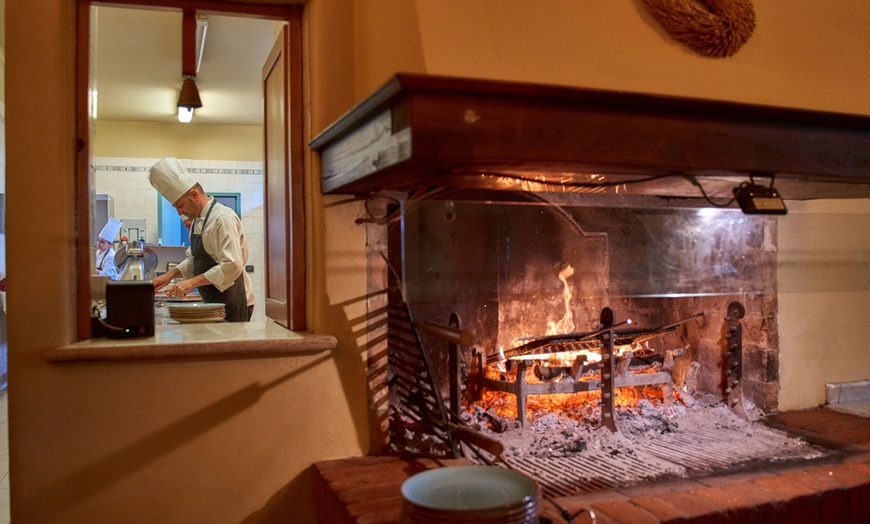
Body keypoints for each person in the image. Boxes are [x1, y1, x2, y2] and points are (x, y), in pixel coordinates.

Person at [148, 157, 254, 322]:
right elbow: (195, 259)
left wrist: (191, 283)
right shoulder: (198, 222)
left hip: (234, 299)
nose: (179, 212)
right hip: (214, 300)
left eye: (180, 205)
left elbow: (232, 264)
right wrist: (169, 276)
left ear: (194, 195)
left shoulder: (222, 218)